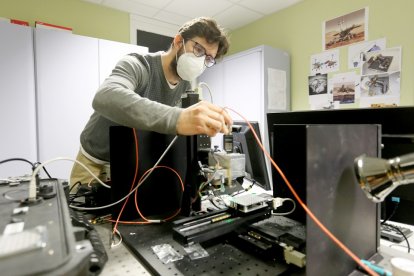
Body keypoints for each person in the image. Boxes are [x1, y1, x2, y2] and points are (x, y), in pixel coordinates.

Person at [70, 17, 232, 188]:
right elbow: (105, 96)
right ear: (178, 41)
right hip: (93, 162)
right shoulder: (139, 65)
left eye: (208, 58)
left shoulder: (185, 84)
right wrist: (179, 118)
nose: (201, 61)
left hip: (131, 164)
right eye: (198, 49)